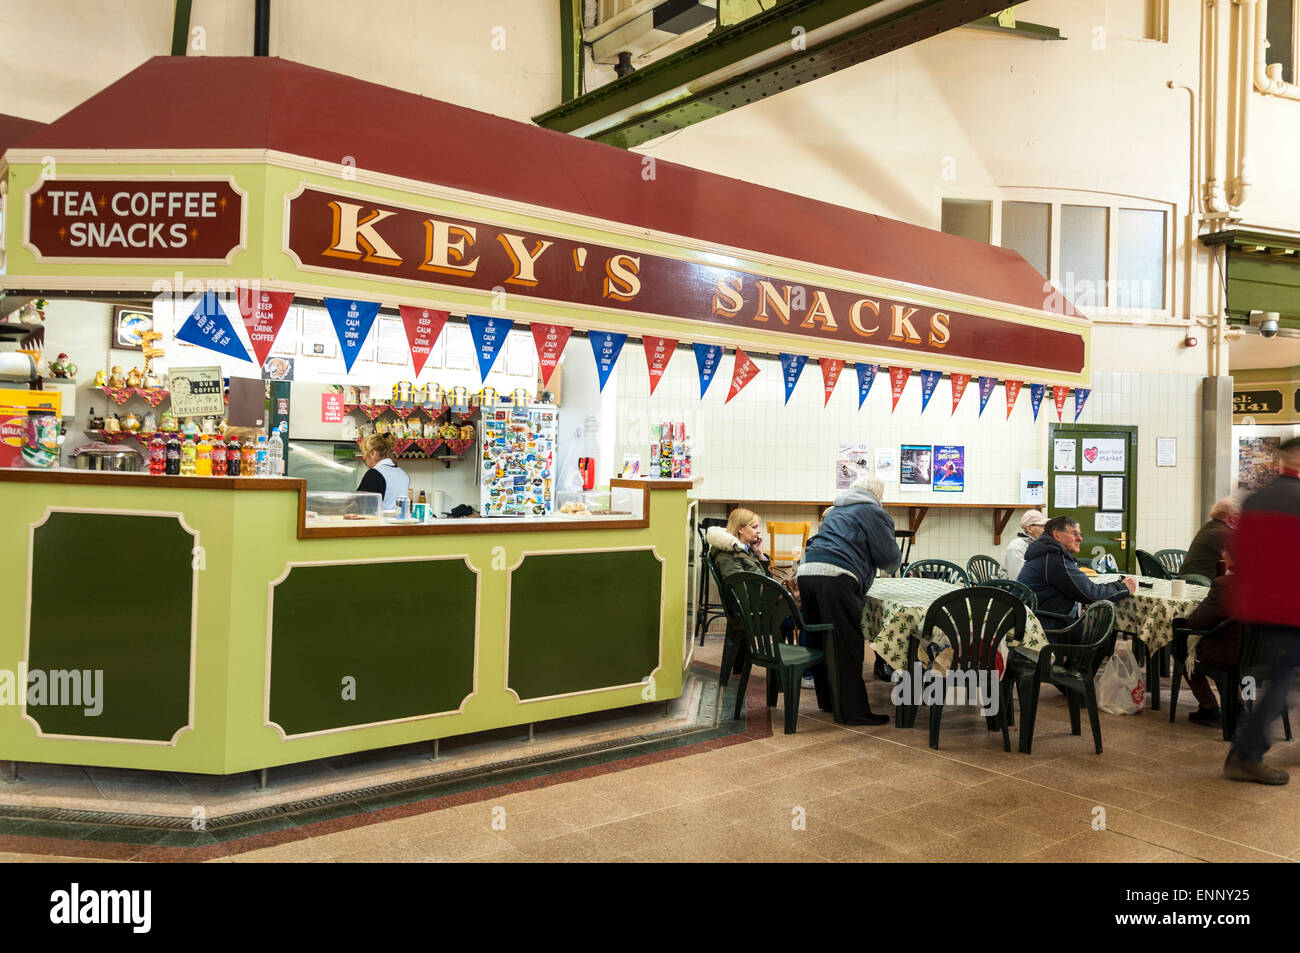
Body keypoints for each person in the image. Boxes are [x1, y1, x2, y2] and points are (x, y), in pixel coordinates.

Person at [1224, 436, 1300, 784]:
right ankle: (1246, 753)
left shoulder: (1254, 499)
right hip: (1291, 609)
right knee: (1281, 681)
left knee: (1271, 678)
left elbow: (1235, 553)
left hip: (1257, 607)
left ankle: (1246, 749)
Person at [796, 472, 901, 726]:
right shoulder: (873, 512)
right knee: (847, 643)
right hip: (837, 576)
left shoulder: (834, 511)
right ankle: (853, 711)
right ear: (877, 495)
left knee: (821, 640)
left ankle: (829, 702)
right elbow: (890, 559)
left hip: (807, 573)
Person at [1019, 515, 1136, 620]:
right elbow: (1091, 594)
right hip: (1049, 627)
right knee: (1103, 633)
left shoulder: (1047, 554)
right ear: (1057, 535)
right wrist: (1123, 587)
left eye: (1080, 534)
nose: (1080, 539)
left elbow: (1081, 590)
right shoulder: (1055, 559)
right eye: (1074, 533)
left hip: (1037, 618)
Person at [1179, 559, 1242, 727]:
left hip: (1230, 653)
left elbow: (1196, 621)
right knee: (1246, 673)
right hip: (1266, 652)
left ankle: (1209, 707)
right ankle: (1242, 706)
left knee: (1180, 649)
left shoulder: (1225, 585)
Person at [1178, 496, 1240, 579]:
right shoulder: (1225, 534)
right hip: (1203, 582)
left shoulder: (1210, 527)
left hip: (1190, 579)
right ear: (1234, 518)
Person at [356, 433, 411, 511]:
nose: (364, 457)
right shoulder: (403, 474)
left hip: (379, 522)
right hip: (400, 522)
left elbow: (362, 507)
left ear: (372, 453)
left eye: (364, 453)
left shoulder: (374, 474)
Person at [1002, 510, 1047, 581]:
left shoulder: (1038, 545)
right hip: (1014, 589)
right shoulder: (1016, 547)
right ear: (1029, 528)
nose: (1046, 530)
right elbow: (1017, 579)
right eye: (1042, 526)